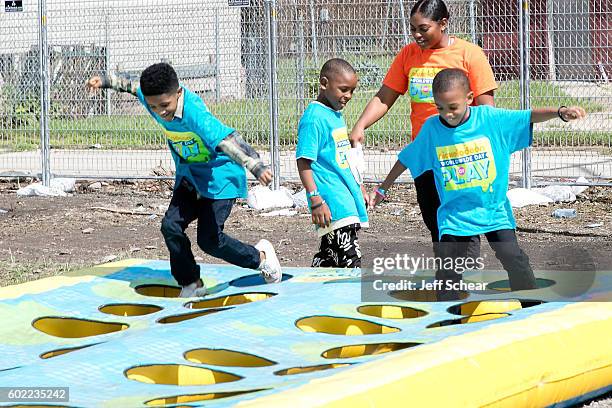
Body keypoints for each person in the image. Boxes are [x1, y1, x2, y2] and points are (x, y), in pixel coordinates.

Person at [371, 68, 586, 300]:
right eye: (440, 107)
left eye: (453, 107)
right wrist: (382, 189)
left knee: (514, 258)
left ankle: (530, 308)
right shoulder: (433, 129)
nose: (447, 114)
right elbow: (406, 158)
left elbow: (528, 116)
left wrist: (561, 112)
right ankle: (449, 319)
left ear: (469, 98)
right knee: (449, 270)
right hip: (455, 216)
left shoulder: (489, 119)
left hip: (493, 211)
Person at [86, 62, 282, 298]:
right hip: (189, 176)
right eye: (154, 106)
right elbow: (131, 85)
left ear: (178, 93)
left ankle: (260, 257)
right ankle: (191, 283)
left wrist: (255, 165)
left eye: (165, 106)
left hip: (220, 176)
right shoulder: (153, 100)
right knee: (170, 225)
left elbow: (226, 139)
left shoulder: (194, 113)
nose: (160, 112)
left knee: (210, 241)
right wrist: (104, 81)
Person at [350, 0, 497, 258]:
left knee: (462, 223)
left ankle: (464, 275)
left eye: (423, 28)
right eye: (413, 29)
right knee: (435, 220)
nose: (417, 35)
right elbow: (385, 96)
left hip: (460, 156)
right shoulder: (408, 55)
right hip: (426, 155)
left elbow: (487, 110)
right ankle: (449, 280)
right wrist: (361, 124)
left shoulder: (469, 54)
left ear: (443, 23)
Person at [296, 58, 369, 268]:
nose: (348, 96)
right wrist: (316, 200)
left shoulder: (335, 115)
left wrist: (359, 186)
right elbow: (303, 162)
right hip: (333, 203)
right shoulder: (314, 118)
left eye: (352, 91)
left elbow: (343, 159)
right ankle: (349, 301)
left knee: (329, 258)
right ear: (324, 83)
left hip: (346, 198)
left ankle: (313, 292)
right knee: (351, 262)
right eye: (344, 89)